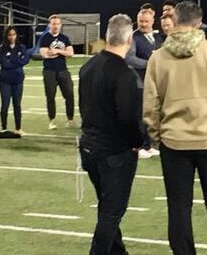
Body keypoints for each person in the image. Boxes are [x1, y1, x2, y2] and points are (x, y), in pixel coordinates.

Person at [143, 1, 207, 255]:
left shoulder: (158, 57)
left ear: (174, 21)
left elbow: (150, 104)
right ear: (199, 23)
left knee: (178, 209)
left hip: (174, 141)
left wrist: (156, 135)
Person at [78, 14, 144, 255]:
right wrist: (138, 142)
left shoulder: (87, 67)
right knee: (112, 211)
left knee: (107, 206)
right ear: (129, 40)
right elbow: (127, 118)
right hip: (114, 152)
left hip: (89, 146)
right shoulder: (124, 74)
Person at [125, 8, 163, 159]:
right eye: (141, 21)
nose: (143, 24)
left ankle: (150, 144)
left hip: (156, 82)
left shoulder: (158, 37)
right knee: (141, 115)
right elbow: (130, 58)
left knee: (153, 114)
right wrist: (150, 64)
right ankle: (140, 145)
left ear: (153, 21)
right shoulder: (132, 37)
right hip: (139, 82)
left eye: (146, 21)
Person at [39, 15, 76, 130]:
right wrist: (62, 52)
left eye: (58, 24)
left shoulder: (64, 38)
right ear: (49, 25)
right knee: (50, 96)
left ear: (60, 25)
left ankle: (70, 119)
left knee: (69, 94)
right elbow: (45, 54)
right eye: (53, 24)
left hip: (63, 70)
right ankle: (52, 121)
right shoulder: (44, 38)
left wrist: (56, 51)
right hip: (49, 71)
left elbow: (71, 53)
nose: (56, 26)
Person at [0, 26, 31, 133]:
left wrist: (12, 60)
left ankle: (18, 128)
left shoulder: (22, 47)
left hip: (18, 80)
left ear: (16, 35)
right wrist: (17, 61)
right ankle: (4, 128)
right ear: (6, 36)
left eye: (13, 34)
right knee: (5, 105)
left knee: (17, 105)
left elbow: (26, 60)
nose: (12, 37)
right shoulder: (2, 48)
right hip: (5, 80)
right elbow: (4, 63)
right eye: (9, 35)